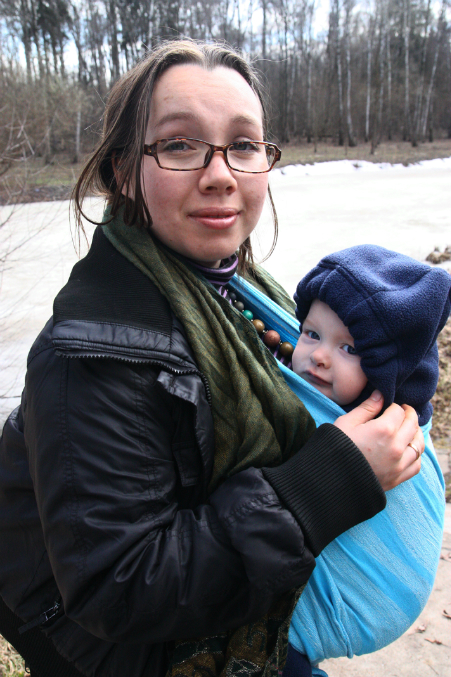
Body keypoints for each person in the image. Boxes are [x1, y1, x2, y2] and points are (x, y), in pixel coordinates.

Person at [0, 41, 423, 677]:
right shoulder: (86, 355)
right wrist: (324, 485)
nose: (221, 174)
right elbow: (117, 586)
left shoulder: (239, 292)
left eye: (244, 145)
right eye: (179, 144)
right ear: (123, 171)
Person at [280, 245, 451, 676]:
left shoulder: (389, 424)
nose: (319, 355)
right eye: (311, 334)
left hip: (328, 616)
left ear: (386, 369)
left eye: (349, 348)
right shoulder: (308, 391)